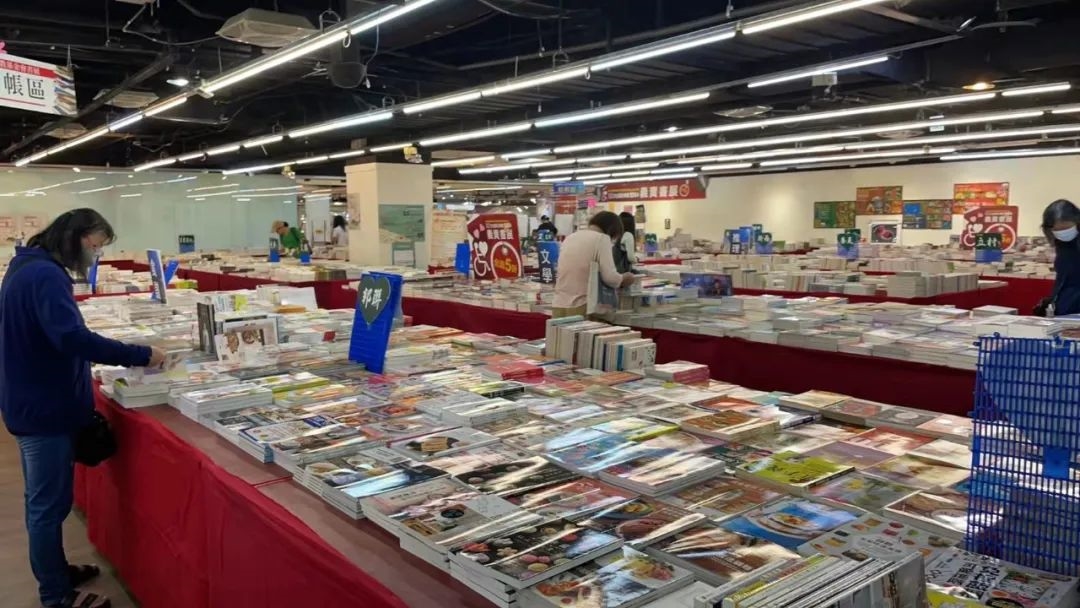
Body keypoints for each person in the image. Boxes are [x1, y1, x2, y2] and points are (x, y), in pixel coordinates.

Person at [0, 209, 166, 608]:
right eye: (95, 246)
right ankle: (55, 595)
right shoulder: (45, 275)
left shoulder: (27, 267)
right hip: (43, 410)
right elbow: (71, 338)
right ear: (75, 237)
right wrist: (140, 354)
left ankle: (56, 573)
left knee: (47, 502)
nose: (95, 255)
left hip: (33, 399)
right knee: (46, 506)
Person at [553, 211, 635, 318]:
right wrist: (625, 278)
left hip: (559, 304)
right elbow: (610, 278)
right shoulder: (602, 239)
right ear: (613, 230)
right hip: (584, 305)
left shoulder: (570, 237)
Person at [1039, 199, 1080, 316]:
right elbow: (1062, 278)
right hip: (1064, 306)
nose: (1063, 233)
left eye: (1066, 228)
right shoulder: (1061, 243)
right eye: (1057, 230)